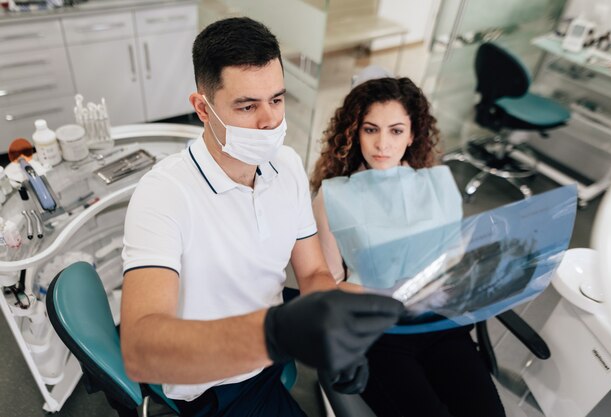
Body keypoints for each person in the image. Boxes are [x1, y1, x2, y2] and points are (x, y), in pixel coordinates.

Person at [120, 17, 404, 417]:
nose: (269, 120)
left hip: (272, 350)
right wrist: (274, 334)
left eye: (276, 99)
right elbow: (141, 351)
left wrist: (339, 344)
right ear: (203, 108)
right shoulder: (164, 195)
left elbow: (312, 274)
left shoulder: (285, 165)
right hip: (216, 383)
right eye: (247, 105)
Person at [310, 76, 506, 417]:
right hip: (378, 331)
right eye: (371, 129)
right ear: (355, 132)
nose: (382, 144)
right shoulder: (333, 196)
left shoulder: (439, 185)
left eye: (396, 131)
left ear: (413, 134)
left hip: (438, 324)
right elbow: (326, 283)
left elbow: (454, 263)